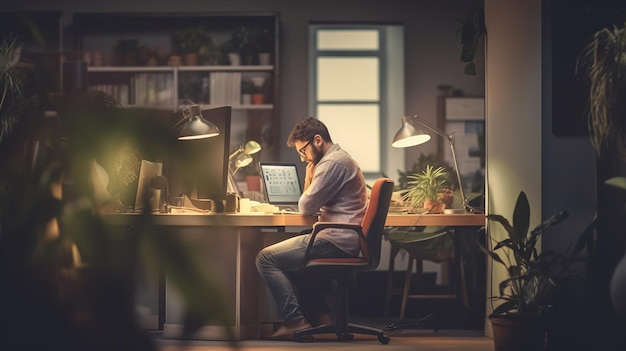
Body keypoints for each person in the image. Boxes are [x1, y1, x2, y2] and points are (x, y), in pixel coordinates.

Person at [255, 116, 368, 340]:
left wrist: (309, 173)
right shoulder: (336, 160)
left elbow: (306, 206)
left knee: (266, 258)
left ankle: (295, 321)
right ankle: (321, 319)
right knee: (293, 259)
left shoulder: (332, 163)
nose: (302, 157)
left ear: (317, 140)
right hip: (341, 237)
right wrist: (310, 174)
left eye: (302, 151)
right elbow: (309, 203)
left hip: (336, 240)